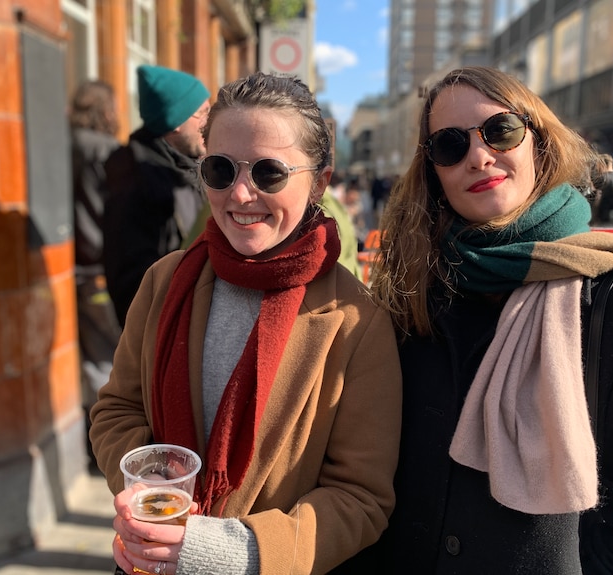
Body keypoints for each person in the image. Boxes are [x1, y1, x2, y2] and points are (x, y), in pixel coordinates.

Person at [358, 66, 613, 573]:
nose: (479, 156)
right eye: (450, 146)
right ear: (433, 169)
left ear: (538, 142)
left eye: (501, 131)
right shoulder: (413, 287)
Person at [89, 72, 402, 575]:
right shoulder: (164, 281)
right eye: (219, 168)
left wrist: (226, 551)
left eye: (269, 173)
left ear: (319, 181)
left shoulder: (356, 322)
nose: (239, 193)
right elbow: (117, 409)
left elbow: (360, 499)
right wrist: (150, 491)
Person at [103, 65, 211, 326]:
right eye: (203, 113)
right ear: (175, 122)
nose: (210, 123)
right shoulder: (136, 179)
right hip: (162, 330)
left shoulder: (183, 166)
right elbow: (131, 281)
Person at [69, 79, 124, 417]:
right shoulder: (106, 150)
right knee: (116, 354)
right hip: (102, 266)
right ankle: (109, 432)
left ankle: (96, 432)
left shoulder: (64, 144)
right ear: (106, 110)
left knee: (93, 354)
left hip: (70, 266)